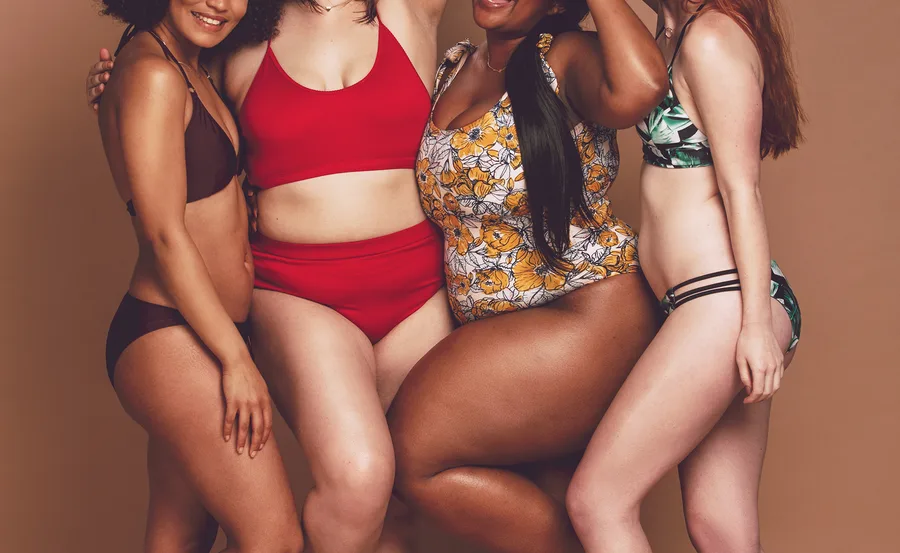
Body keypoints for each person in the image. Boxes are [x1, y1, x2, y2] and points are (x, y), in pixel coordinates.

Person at [88, 1, 455, 551]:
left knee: (182, 530)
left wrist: (114, 99)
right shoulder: (215, 44)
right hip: (264, 303)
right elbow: (161, 220)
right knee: (334, 494)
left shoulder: (405, 10)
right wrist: (116, 91)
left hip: (416, 295)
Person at [385, 1, 668, 552]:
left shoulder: (564, 55)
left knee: (408, 452)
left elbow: (642, 85)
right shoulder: (453, 65)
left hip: (584, 312)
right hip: (505, 333)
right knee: (561, 500)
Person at [566, 1, 804, 551]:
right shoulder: (670, 29)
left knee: (597, 502)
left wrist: (752, 326)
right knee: (721, 528)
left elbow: (742, 188)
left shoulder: (711, 38)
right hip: (706, 305)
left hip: (723, 305)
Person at [97, 1, 303, 551]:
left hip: (197, 330)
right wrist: (236, 361)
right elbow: (164, 235)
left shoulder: (181, 65)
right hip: (173, 334)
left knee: (180, 536)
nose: (219, 3)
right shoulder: (155, 73)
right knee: (274, 540)